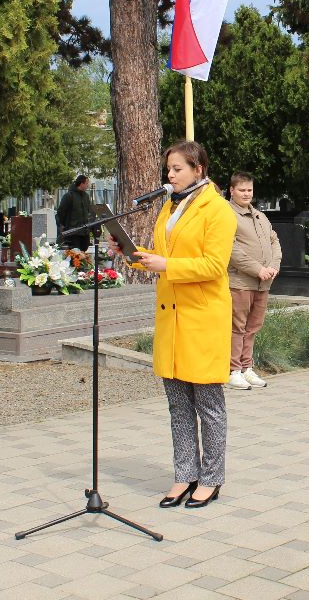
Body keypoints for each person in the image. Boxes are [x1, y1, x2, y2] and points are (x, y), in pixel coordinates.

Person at [132, 141, 236, 510]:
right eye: (169, 169)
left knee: (208, 405)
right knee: (178, 405)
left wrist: (167, 266)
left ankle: (211, 478)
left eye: (177, 169)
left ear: (198, 169)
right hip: (172, 318)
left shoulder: (218, 210)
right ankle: (184, 474)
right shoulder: (169, 206)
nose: (170, 175)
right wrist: (131, 256)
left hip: (201, 319)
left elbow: (214, 265)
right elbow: (163, 256)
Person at [226, 172, 281, 390]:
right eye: (242, 190)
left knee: (253, 327)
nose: (246, 194)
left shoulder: (260, 216)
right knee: (237, 327)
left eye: (249, 190)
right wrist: (258, 269)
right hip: (240, 282)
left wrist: (273, 266)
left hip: (263, 283)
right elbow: (231, 249)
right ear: (231, 191)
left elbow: (274, 241)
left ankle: (246, 367)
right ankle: (233, 370)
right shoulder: (227, 215)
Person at [55, 174, 92, 251]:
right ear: (81, 184)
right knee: (75, 253)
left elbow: (88, 210)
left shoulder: (86, 196)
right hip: (73, 232)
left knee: (84, 251)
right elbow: (61, 212)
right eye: (86, 183)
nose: (87, 186)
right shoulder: (69, 196)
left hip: (84, 232)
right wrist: (65, 225)